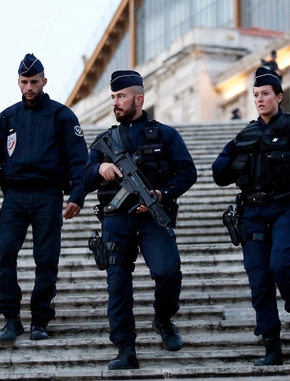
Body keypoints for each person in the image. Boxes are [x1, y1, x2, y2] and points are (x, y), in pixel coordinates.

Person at [211, 66, 290, 366]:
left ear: (279, 96)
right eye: (255, 95)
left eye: (265, 94)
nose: (260, 99)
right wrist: (240, 157)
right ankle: (272, 347)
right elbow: (218, 173)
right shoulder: (247, 132)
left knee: (280, 266)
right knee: (260, 281)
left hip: (286, 210)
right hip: (252, 214)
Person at [83, 70, 197, 370]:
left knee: (168, 272)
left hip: (152, 219)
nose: (116, 103)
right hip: (116, 220)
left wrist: (162, 194)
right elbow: (80, 178)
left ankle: (163, 319)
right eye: (113, 97)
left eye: (121, 97)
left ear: (139, 98)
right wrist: (99, 170)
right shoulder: (104, 141)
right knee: (118, 285)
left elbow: (187, 172)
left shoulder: (165, 134)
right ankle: (125, 348)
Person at [0, 53, 89, 343]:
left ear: (44, 81)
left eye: (34, 82)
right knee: (5, 254)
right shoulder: (6, 118)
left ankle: (40, 319)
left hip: (48, 195)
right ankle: (11, 318)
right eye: (25, 82)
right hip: (13, 196)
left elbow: (80, 161)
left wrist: (77, 194)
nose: (29, 87)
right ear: (18, 82)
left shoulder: (62, 116)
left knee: (46, 258)